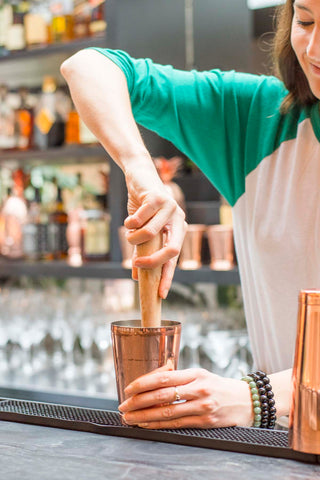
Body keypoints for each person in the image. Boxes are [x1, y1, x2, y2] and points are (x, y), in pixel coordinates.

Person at [61, 0, 318, 429]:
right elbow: (88, 65)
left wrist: (253, 397)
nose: (313, 49)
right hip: (279, 454)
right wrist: (140, 171)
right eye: (306, 21)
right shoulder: (261, 118)